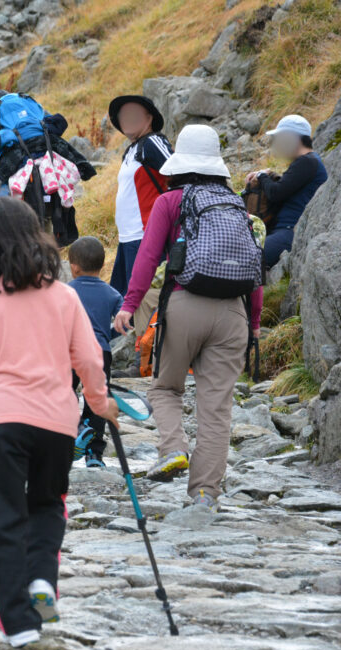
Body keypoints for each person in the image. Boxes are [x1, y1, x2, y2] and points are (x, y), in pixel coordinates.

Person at [0, 196, 119, 648]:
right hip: (58, 422)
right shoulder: (64, 296)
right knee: (49, 503)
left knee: (4, 519)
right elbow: (89, 359)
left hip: (5, 421)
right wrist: (99, 402)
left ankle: (19, 624)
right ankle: (42, 582)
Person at [115, 125, 263, 510]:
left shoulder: (170, 201)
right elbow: (255, 270)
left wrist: (130, 305)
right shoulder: (236, 206)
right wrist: (256, 323)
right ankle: (204, 493)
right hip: (234, 312)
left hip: (184, 303)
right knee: (216, 407)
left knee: (165, 388)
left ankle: (173, 449)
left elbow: (147, 257)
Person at [0, 91, 96, 235]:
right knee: (41, 246)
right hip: (42, 200)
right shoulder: (38, 130)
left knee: (7, 251)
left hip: (4, 207)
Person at [107, 95, 173, 296]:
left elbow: (179, 171)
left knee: (143, 302)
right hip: (128, 238)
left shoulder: (153, 142)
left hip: (147, 236)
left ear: (149, 118)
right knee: (125, 304)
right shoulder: (132, 150)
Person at [244, 114, 328, 270]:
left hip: (289, 232)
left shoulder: (307, 162)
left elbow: (276, 193)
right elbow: (286, 185)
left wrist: (262, 176)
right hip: (284, 230)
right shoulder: (308, 162)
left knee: (247, 259)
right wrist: (269, 175)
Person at [68, 237, 123, 468]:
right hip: (101, 352)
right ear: (101, 265)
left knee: (64, 393)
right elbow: (125, 324)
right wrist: (105, 337)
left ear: (73, 267)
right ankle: (94, 455)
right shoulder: (112, 294)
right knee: (97, 401)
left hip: (69, 352)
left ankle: (77, 429)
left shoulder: (65, 291)